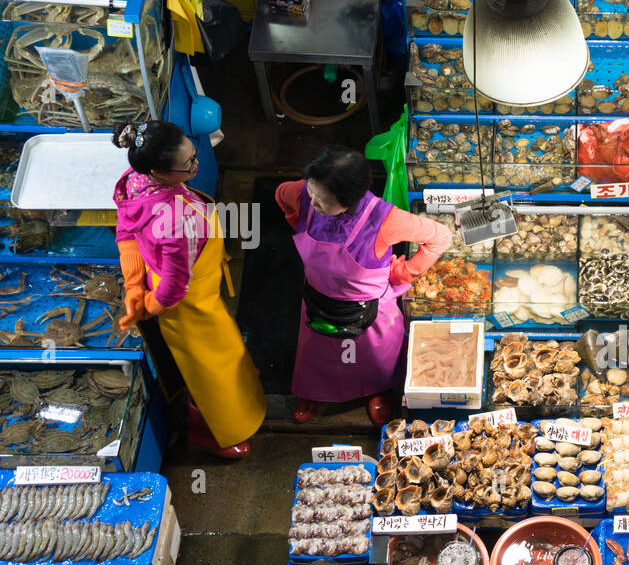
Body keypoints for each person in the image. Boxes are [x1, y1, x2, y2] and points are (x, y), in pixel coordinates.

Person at [113, 121, 267, 459]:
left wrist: (135, 282)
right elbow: (173, 287)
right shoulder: (177, 223)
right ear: (159, 170)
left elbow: (125, 231)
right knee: (205, 369)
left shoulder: (133, 181)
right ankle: (211, 432)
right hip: (186, 304)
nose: (196, 166)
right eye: (188, 165)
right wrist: (146, 304)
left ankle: (236, 382)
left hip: (197, 291)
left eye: (194, 154)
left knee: (223, 352)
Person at [275, 145, 453, 426]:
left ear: (348, 198)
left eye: (321, 200)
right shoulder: (305, 194)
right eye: (311, 192)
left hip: (368, 308)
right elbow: (281, 193)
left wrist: (405, 273)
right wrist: (296, 219)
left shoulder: (386, 219)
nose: (313, 202)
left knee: (373, 357)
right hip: (318, 300)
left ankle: (377, 391)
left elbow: (440, 236)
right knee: (316, 353)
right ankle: (314, 392)